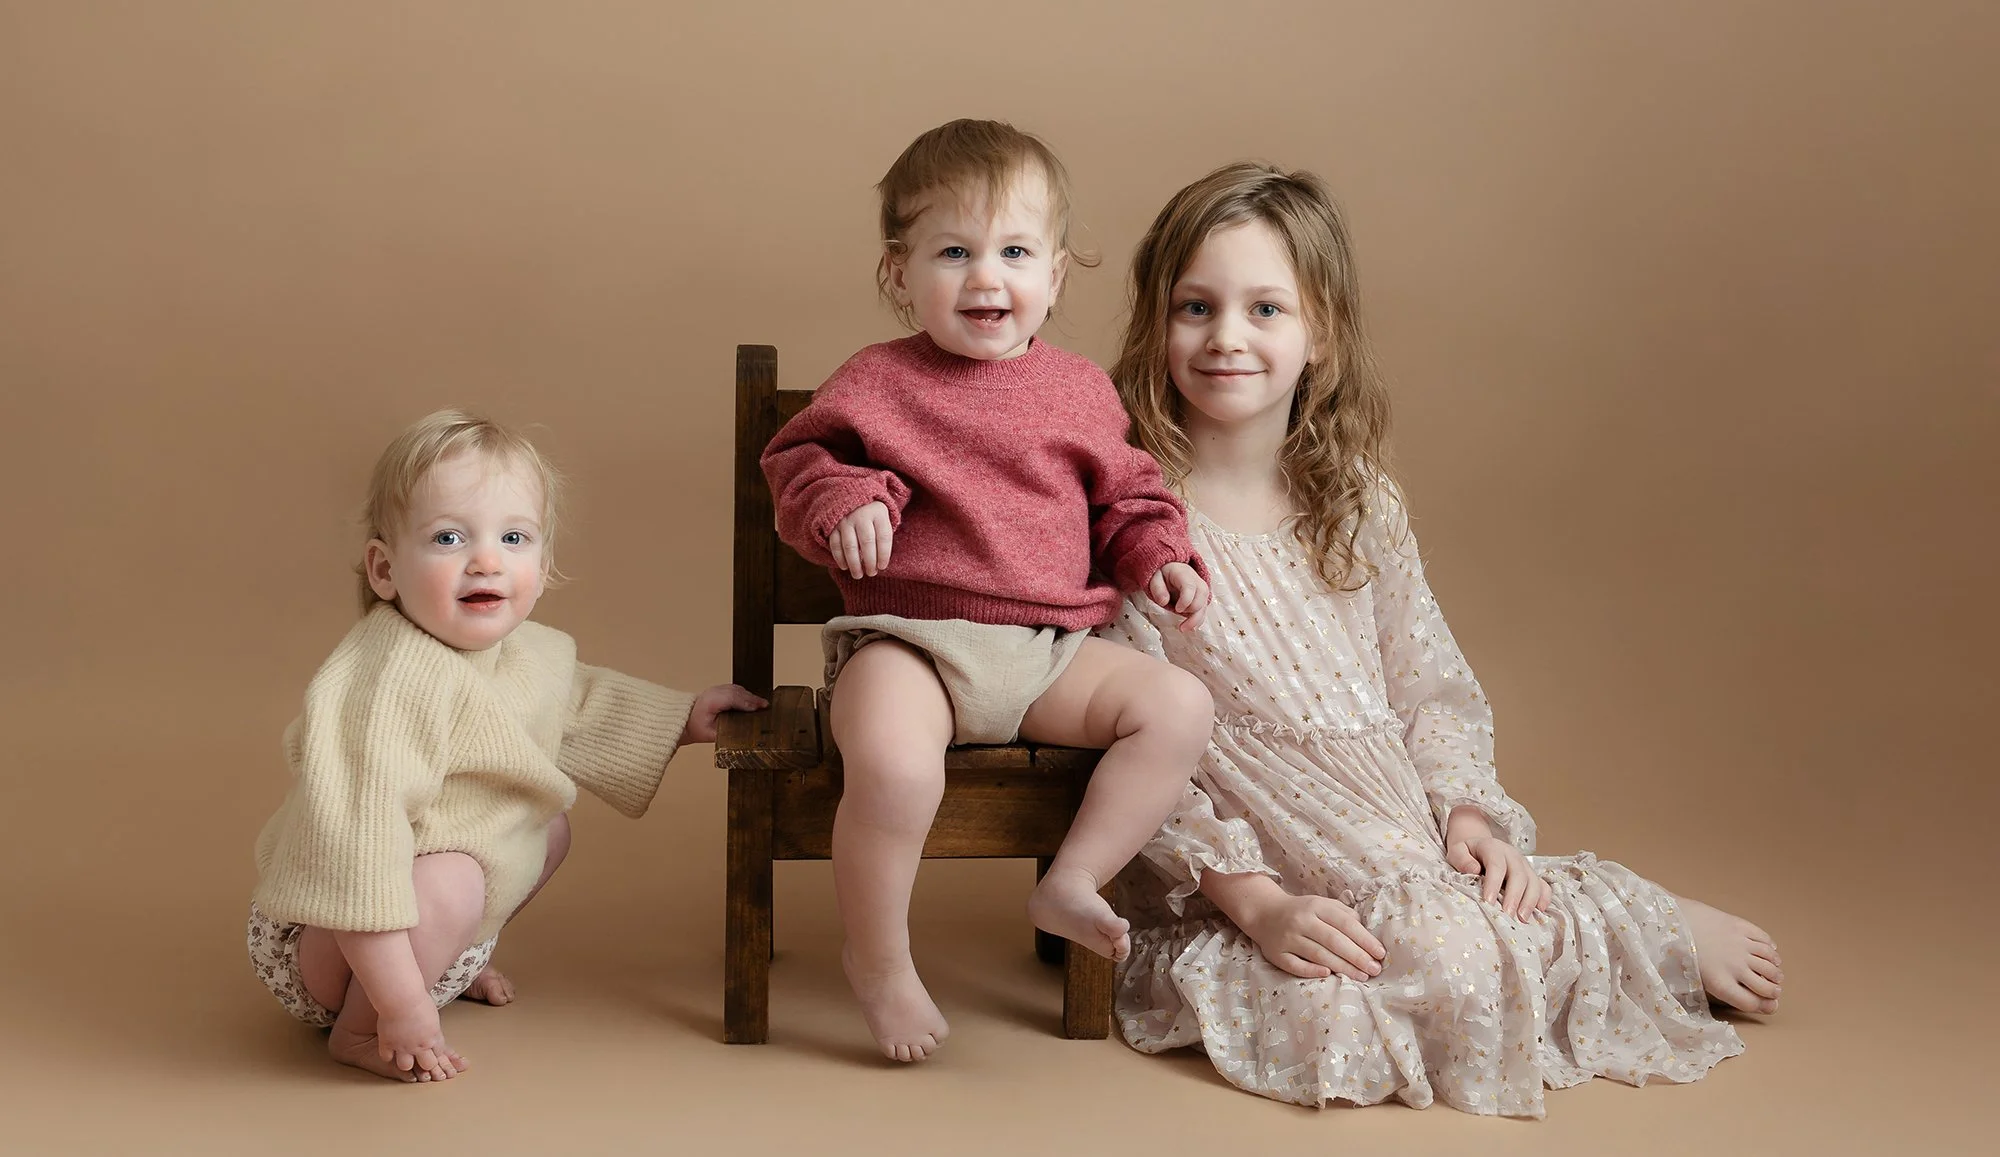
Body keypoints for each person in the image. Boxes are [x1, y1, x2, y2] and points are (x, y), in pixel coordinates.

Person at [1102, 162, 1781, 1115]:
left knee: (1480, 911)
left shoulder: (1355, 504)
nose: (1227, 338)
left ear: (1321, 335)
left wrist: (1466, 811)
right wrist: (1256, 903)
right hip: (1246, 851)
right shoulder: (1135, 517)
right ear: (1156, 320)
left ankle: (1641, 923)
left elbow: (1430, 689)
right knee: (1394, 989)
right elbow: (1133, 738)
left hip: (1388, 820)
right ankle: (1616, 935)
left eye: (1266, 309)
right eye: (1196, 306)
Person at [761, 119, 1216, 1062]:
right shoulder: (877, 383)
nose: (986, 278)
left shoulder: (1082, 391)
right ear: (900, 274)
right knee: (894, 765)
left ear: (1054, 275)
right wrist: (845, 498)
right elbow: (799, 462)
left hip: (1045, 655)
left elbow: (1130, 497)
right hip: (908, 642)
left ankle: (1074, 879)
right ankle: (880, 959)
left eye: (1014, 252)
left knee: (1176, 705)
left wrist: (1157, 556)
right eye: (954, 252)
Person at [249, 409, 763, 1082]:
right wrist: (401, 1003)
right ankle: (362, 1027)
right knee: (455, 874)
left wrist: (685, 717)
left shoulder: (524, 651)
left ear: (544, 566)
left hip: (417, 906)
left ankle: (448, 958)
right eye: (449, 537)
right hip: (323, 930)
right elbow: (353, 847)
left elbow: (576, 702)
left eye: (513, 536)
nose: (486, 559)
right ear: (384, 568)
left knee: (545, 827)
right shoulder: (381, 681)